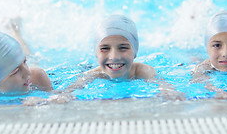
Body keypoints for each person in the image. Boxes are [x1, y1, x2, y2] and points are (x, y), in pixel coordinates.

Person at [48, 14, 184, 104]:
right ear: (96, 53)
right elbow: (72, 88)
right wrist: (63, 95)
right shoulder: (94, 74)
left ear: (135, 52)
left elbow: (163, 85)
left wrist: (169, 91)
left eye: (123, 48)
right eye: (105, 48)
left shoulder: (143, 71)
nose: (114, 56)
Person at [0, 31, 53, 96]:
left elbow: (57, 97)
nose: (27, 72)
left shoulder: (37, 77)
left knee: (32, 58)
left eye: (25, 62)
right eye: (15, 71)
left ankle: (15, 30)